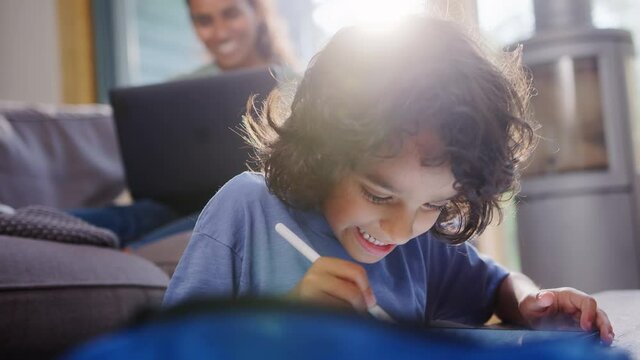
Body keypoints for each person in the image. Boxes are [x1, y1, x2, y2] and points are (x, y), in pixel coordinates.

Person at [163, 16, 614, 343]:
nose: (400, 229)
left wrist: (534, 302)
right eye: (378, 194)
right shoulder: (247, 211)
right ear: (322, 153)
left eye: (434, 205)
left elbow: (495, 285)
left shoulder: (416, 243)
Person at [70, 0, 298, 248]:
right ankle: (28, 221)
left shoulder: (295, 86)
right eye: (204, 21)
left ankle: (130, 254)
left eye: (230, 14)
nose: (220, 32)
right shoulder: (180, 90)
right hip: (173, 204)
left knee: (194, 222)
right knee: (125, 216)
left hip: (243, 204)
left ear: (257, 12)